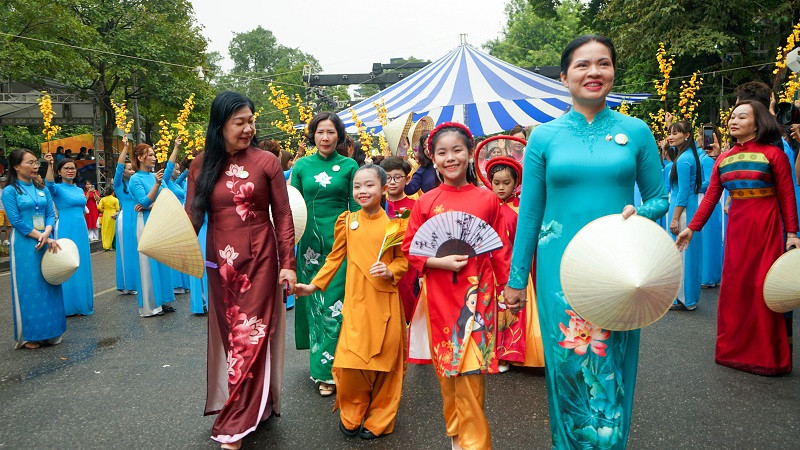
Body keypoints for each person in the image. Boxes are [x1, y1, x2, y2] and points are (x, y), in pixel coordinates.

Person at [503, 35, 669, 449]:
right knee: (568, 364)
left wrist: (640, 213)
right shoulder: (544, 136)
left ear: (613, 71)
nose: (593, 72)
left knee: (611, 364)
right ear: (564, 77)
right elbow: (530, 212)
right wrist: (517, 278)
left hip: (618, 266)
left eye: (603, 64)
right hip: (558, 267)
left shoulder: (636, 131)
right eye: (582, 65)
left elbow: (660, 197)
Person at [185, 91, 297, 449]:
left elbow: (282, 215)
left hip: (261, 259)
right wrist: (173, 247)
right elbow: (193, 216)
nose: (249, 128)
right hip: (220, 263)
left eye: (251, 121)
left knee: (249, 335)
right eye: (240, 122)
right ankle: (256, 405)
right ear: (220, 126)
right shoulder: (201, 165)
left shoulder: (266, 162)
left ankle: (236, 421)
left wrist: (288, 265)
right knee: (233, 338)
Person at [402, 122, 511, 450]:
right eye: (442, 153)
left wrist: (508, 289)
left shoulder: (487, 199)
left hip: (479, 294)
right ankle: (456, 434)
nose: (450, 158)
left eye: (457, 151)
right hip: (439, 296)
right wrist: (438, 262)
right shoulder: (426, 202)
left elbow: (501, 248)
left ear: (469, 153)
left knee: (470, 368)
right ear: (432, 158)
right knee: (448, 370)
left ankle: (475, 443)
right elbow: (410, 248)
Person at [677, 100, 799, 376]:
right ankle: (733, 352)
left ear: (758, 123)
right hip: (737, 230)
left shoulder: (774, 155)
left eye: (741, 117)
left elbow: (788, 196)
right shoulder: (723, 158)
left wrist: (792, 234)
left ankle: (767, 358)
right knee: (735, 289)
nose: (733, 121)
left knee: (762, 288)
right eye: (732, 116)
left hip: (767, 228)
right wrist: (692, 228)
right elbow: (710, 198)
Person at [296, 164, 409, 440]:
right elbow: (333, 258)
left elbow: (404, 260)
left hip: (385, 302)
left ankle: (380, 417)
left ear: (384, 189)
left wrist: (391, 270)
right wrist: (313, 285)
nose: (362, 191)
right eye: (357, 186)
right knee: (349, 360)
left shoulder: (395, 225)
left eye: (369, 185)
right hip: (356, 302)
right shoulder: (347, 221)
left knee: (385, 362)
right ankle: (352, 411)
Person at [290, 111, 360, 397]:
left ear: (339, 135)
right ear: (313, 135)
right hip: (308, 247)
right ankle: (322, 372)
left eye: (331, 132)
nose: (325, 137)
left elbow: (358, 205)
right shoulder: (301, 167)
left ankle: (338, 366)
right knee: (315, 305)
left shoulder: (349, 166)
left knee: (335, 304)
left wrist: (359, 240)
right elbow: (289, 206)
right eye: (320, 132)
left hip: (341, 243)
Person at [485, 156, 545, 370]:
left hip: (518, 267)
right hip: (491, 267)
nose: (500, 188)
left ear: (516, 183)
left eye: (506, 183)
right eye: (496, 183)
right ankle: (498, 354)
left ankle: (518, 353)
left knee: (517, 310)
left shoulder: (522, 208)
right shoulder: (486, 205)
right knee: (494, 309)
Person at [3, 149, 66, 349]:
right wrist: (40, 236)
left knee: (51, 283)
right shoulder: (10, 191)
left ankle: (52, 331)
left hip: (47, 240)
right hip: (25, 243)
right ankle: (30, 335)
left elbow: (50, 213)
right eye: (30, 163)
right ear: (16, 166)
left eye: (35, 163)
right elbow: (16, 221)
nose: (35, 166)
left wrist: (47, 233)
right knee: (30, 287)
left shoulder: (42, 188)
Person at [44, 154, 95, 316]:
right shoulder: (57, 188)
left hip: (81, 228)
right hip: (65, 227)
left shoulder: (79, 190)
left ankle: (82, 302)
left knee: (81, 263)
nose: (70, 171)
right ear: (59, 172)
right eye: (66, 168)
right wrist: (50, 165)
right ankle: (68, 305)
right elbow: (48, 184)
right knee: (66, 262)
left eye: (72, 168)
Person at [129, 143, 175, 316]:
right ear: (140, 158)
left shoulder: (157, 177)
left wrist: (153, 202)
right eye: (150, 155)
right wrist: (156, 185)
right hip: (145, 223)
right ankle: (150, 305)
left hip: (160, 221)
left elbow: (164, 197)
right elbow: (144, 201)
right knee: (148, 263)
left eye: (154, 154)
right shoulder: (135, 179)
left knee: (162, 261)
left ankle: (162, 301)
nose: (154, 157)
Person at [666, 120, 703, 310]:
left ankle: (682, 298)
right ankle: (687, 297)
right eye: (670, 132)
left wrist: (674, 218)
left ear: (687, 135)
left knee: (681, 253)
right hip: (688, 209)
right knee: (687, 253)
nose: (671, 136)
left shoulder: (683, 160)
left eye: (676, 133)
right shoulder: (688, 156)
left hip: (683, 211)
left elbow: (683, 192)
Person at [380, 156, 419, 321]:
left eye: (397, 177)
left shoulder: (416, 206)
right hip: (384, 264)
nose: (393, 182)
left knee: (408, 311)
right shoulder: (378, 206)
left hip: (409, 267)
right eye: (388, 178)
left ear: (408, 178)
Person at [697, 125, 723, 287]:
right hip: (704, 199)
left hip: (707, 200)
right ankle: (708, 275)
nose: (699, 138)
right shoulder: (702, 155)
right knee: (705, 239)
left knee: (708, 240)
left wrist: (694, 185)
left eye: (700, 136)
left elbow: (709, 182)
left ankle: (708, 277)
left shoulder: (707, 159)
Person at [164, 139, 192, 294]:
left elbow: (187, 171)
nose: (178, 171)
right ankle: (176, 283)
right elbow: (169, 168)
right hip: (173, 217)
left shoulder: (177, 184)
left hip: (182, 217)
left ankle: (183, 282)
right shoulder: (166, 182)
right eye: (176, 169)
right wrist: (175, 147)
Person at [114, 136, 139, 295]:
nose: (131, 171)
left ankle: (136, 281)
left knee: (136, 249)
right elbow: (118, 166)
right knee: (126, 249)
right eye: (129, 169)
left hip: (137, 217)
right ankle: (126, 283)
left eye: (132, 169)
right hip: (125, 218)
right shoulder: (118, 184)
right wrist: (125, 148)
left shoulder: (136, 182)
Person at [96, 186, 119, 251]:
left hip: (105, 215)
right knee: (113, 230)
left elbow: (98, 207)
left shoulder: (103, 199)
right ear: (113, 192)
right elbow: (117, 209)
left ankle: (106, 246)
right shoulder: (115, 199)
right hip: (113, 215)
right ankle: (115, 246)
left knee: (105, 230)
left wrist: (104, 211)